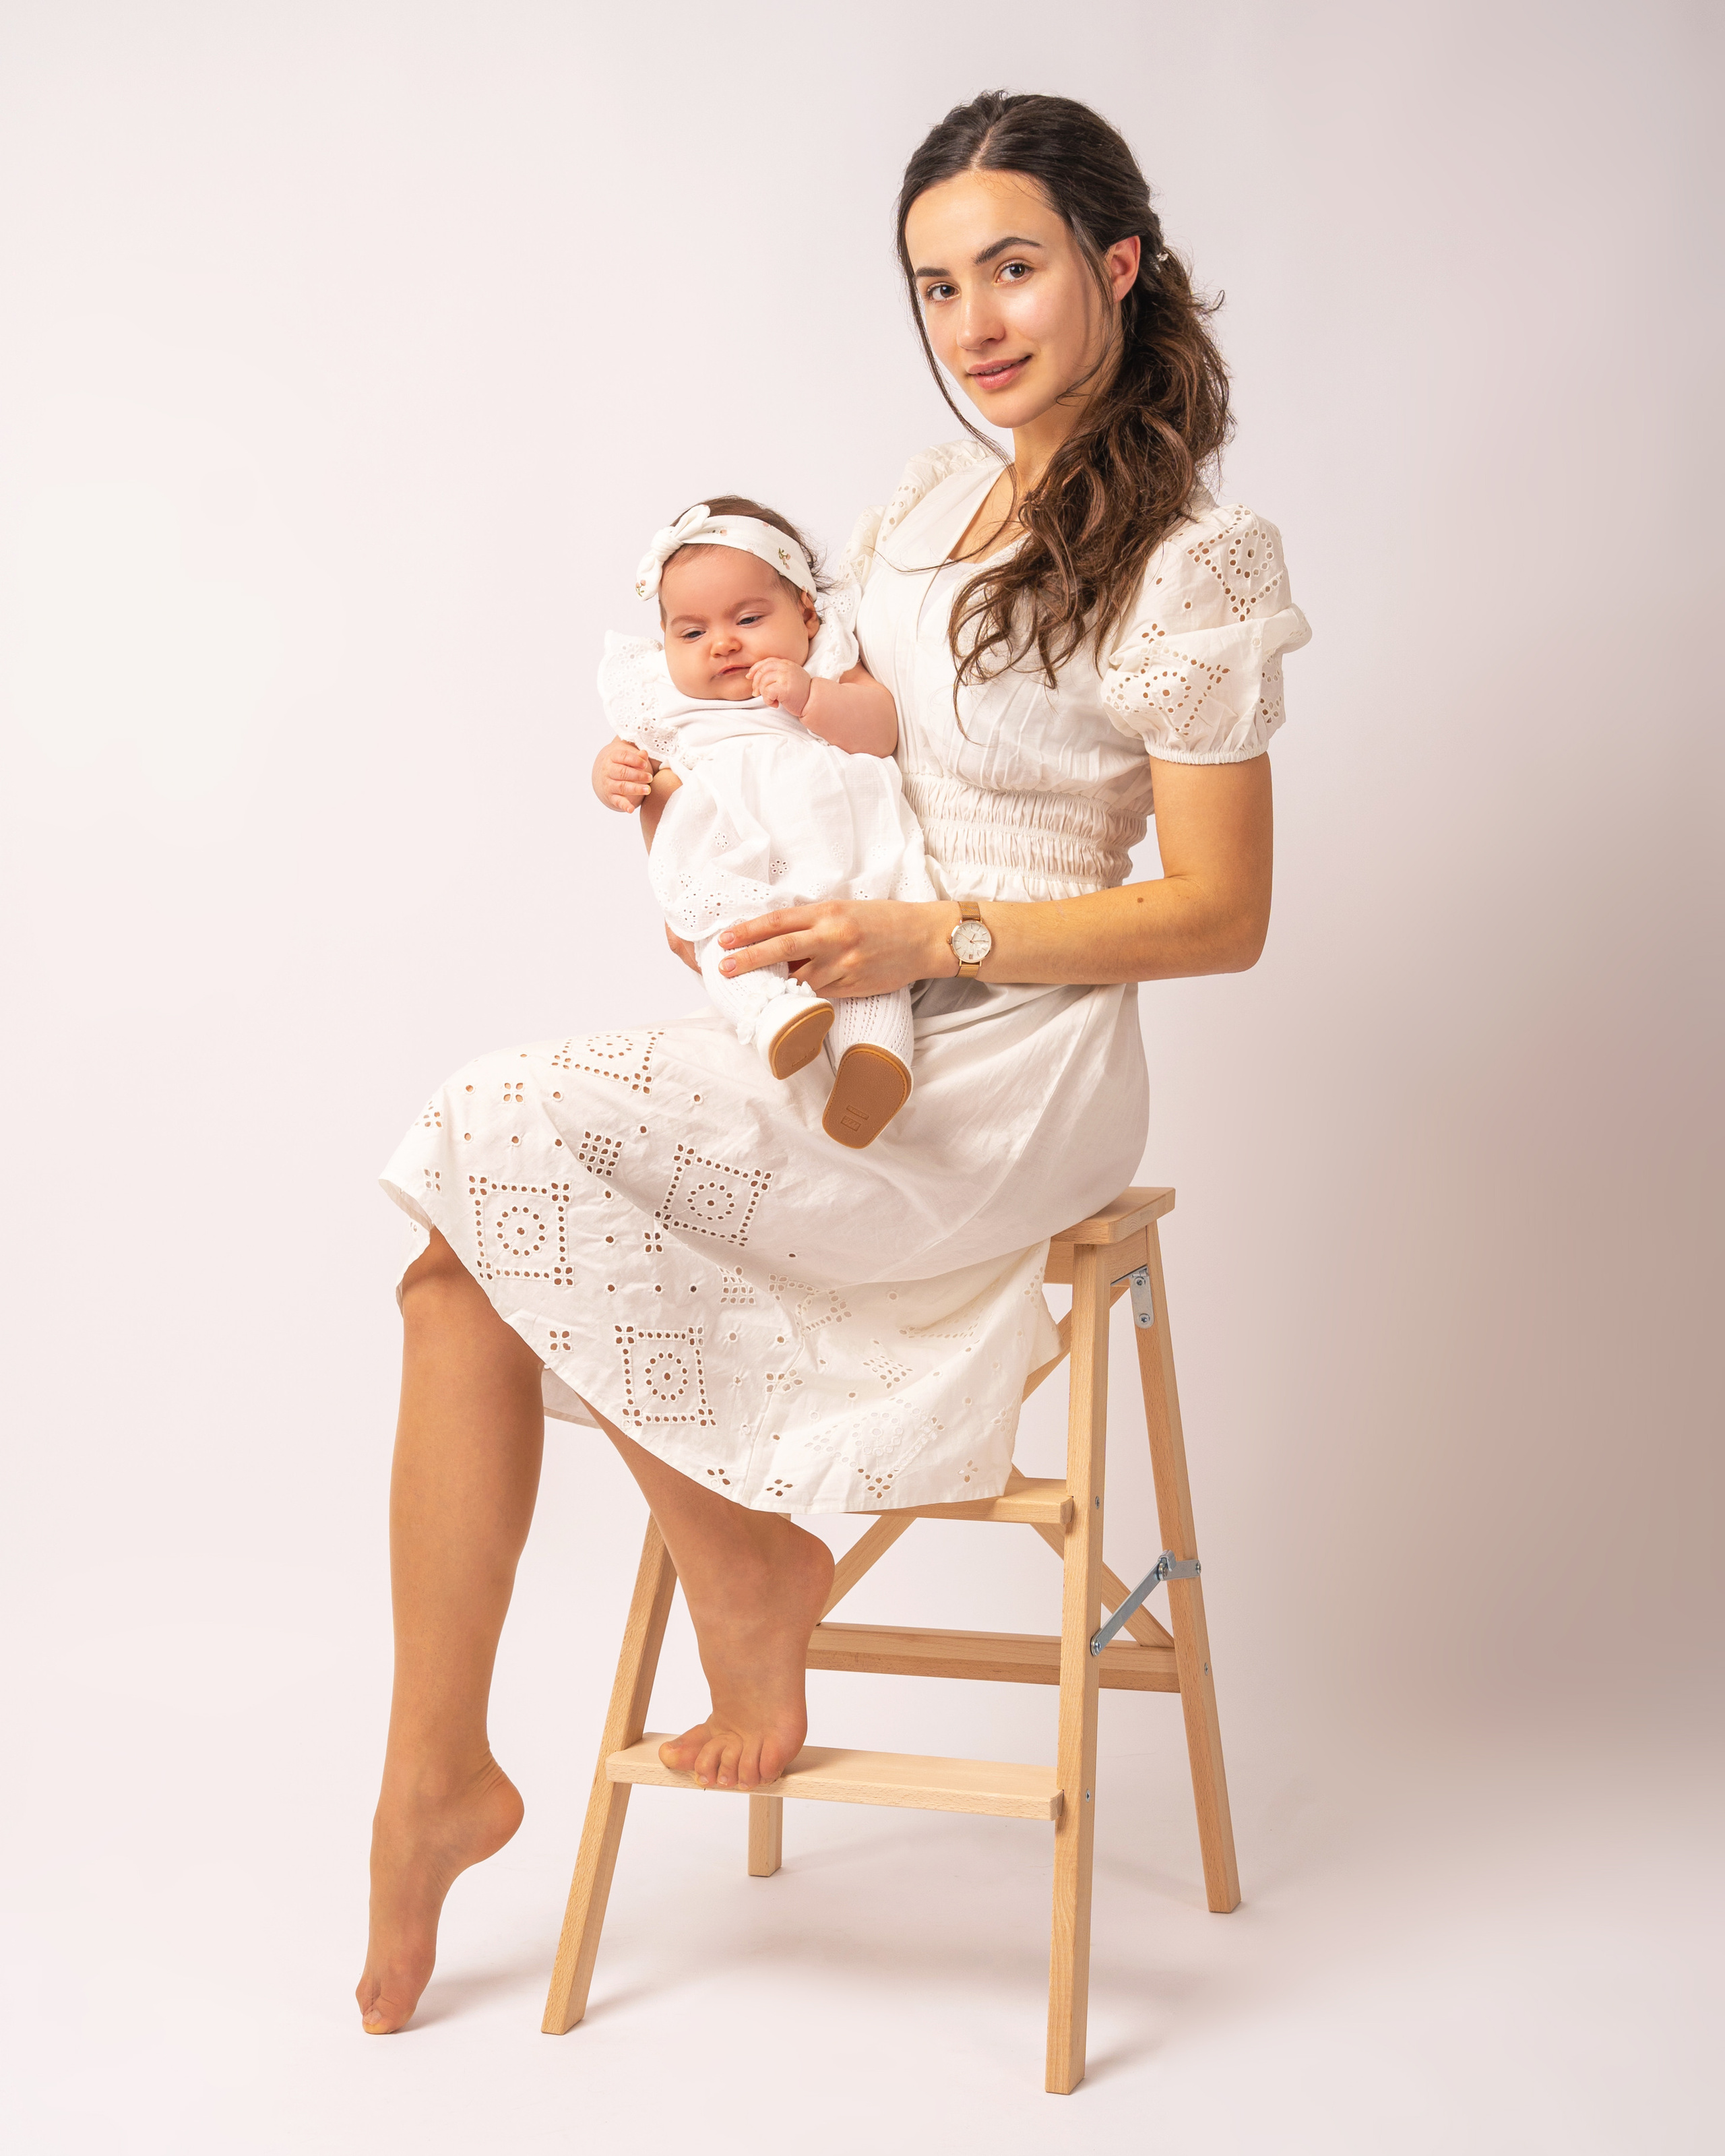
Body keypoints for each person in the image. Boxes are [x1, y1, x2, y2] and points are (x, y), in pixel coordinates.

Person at [358, 87, 1310, 2036]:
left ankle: (726, 1589)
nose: (976, 319)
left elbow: (1221, 913)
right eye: (939, 282)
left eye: (1017, 265)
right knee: (464, 1218)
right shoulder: (912, 512)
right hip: (848, 998)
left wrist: (934, 937)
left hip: (1013, 1061)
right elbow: (828, 751)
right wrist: (676, 795)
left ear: (1118, 264)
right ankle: (447, 1765)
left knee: (488, 1155)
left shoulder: (1190, 557)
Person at [594, 494, 933, 1146]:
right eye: (690, 632)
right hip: (731, 854)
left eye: (748, 617)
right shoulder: (661, 695)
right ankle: (773, 1017)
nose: (721, 643)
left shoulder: (827, 658)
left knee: (860, 943)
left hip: (833, 847)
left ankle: (876, 1059)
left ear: (806, 613)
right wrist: (612, 771)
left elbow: (881, 728)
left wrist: (811, 697)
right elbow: (632, 754)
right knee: (724, 936)